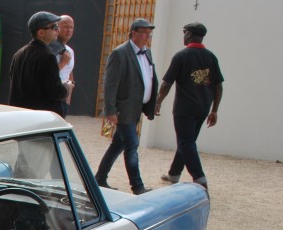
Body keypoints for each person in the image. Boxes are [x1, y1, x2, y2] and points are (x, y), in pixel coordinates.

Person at [155, 22, 223, 189]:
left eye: (184, 32)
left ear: (190, 35)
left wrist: (158, 102)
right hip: (203, 108)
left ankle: (200, 179)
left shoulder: (181, 56)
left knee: (185, 142)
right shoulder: (211, 57)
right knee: (188, 141)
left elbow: (166, 83)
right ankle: (174, 174)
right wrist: (214, 110)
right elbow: (218, 86)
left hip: (184, 109)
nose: (183, 36)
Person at [94, 18, 159, 195]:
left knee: (118, 144)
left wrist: (153, 104)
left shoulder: (147, 53)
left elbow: (150, 78)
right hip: (123, 110)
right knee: (132, 145)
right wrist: (110, 110)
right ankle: (137, 186)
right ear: (133, 33)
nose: (148, 36)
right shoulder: (120, 53)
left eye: (149, 33)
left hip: (136, 108)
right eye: (144, 32)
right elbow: (110, 84)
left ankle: (99, 178)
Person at [8, 12, 72, 114]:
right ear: (41, 33)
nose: (57, 30)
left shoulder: (18, 54)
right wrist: (67, 87)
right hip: (40, 117)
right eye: (54, 27)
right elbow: (57, 92)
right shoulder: (48, 57)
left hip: (20, 114)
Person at [56, 15, 75, 117]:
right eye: (65, 26)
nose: (69, 30)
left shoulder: (70, 51)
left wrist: (69, 96)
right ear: (57, 27)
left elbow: (70, 72)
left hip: (64, 98)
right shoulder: (50, 49)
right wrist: (63, 62)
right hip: (53, 97)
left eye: (71, 27)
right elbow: (47, 72)